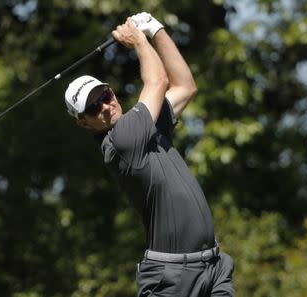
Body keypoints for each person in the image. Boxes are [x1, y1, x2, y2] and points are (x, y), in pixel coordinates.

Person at [64, 12, 235, 297]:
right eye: (93, 108)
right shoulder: (121, 140)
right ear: (83, 122)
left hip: (213, 267)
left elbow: (185, 87)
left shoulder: (145, 128)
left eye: (104, 96)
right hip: (172, 279)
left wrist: (157, 30)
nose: (106, 106)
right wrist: (140, 41)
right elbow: (158, 81)